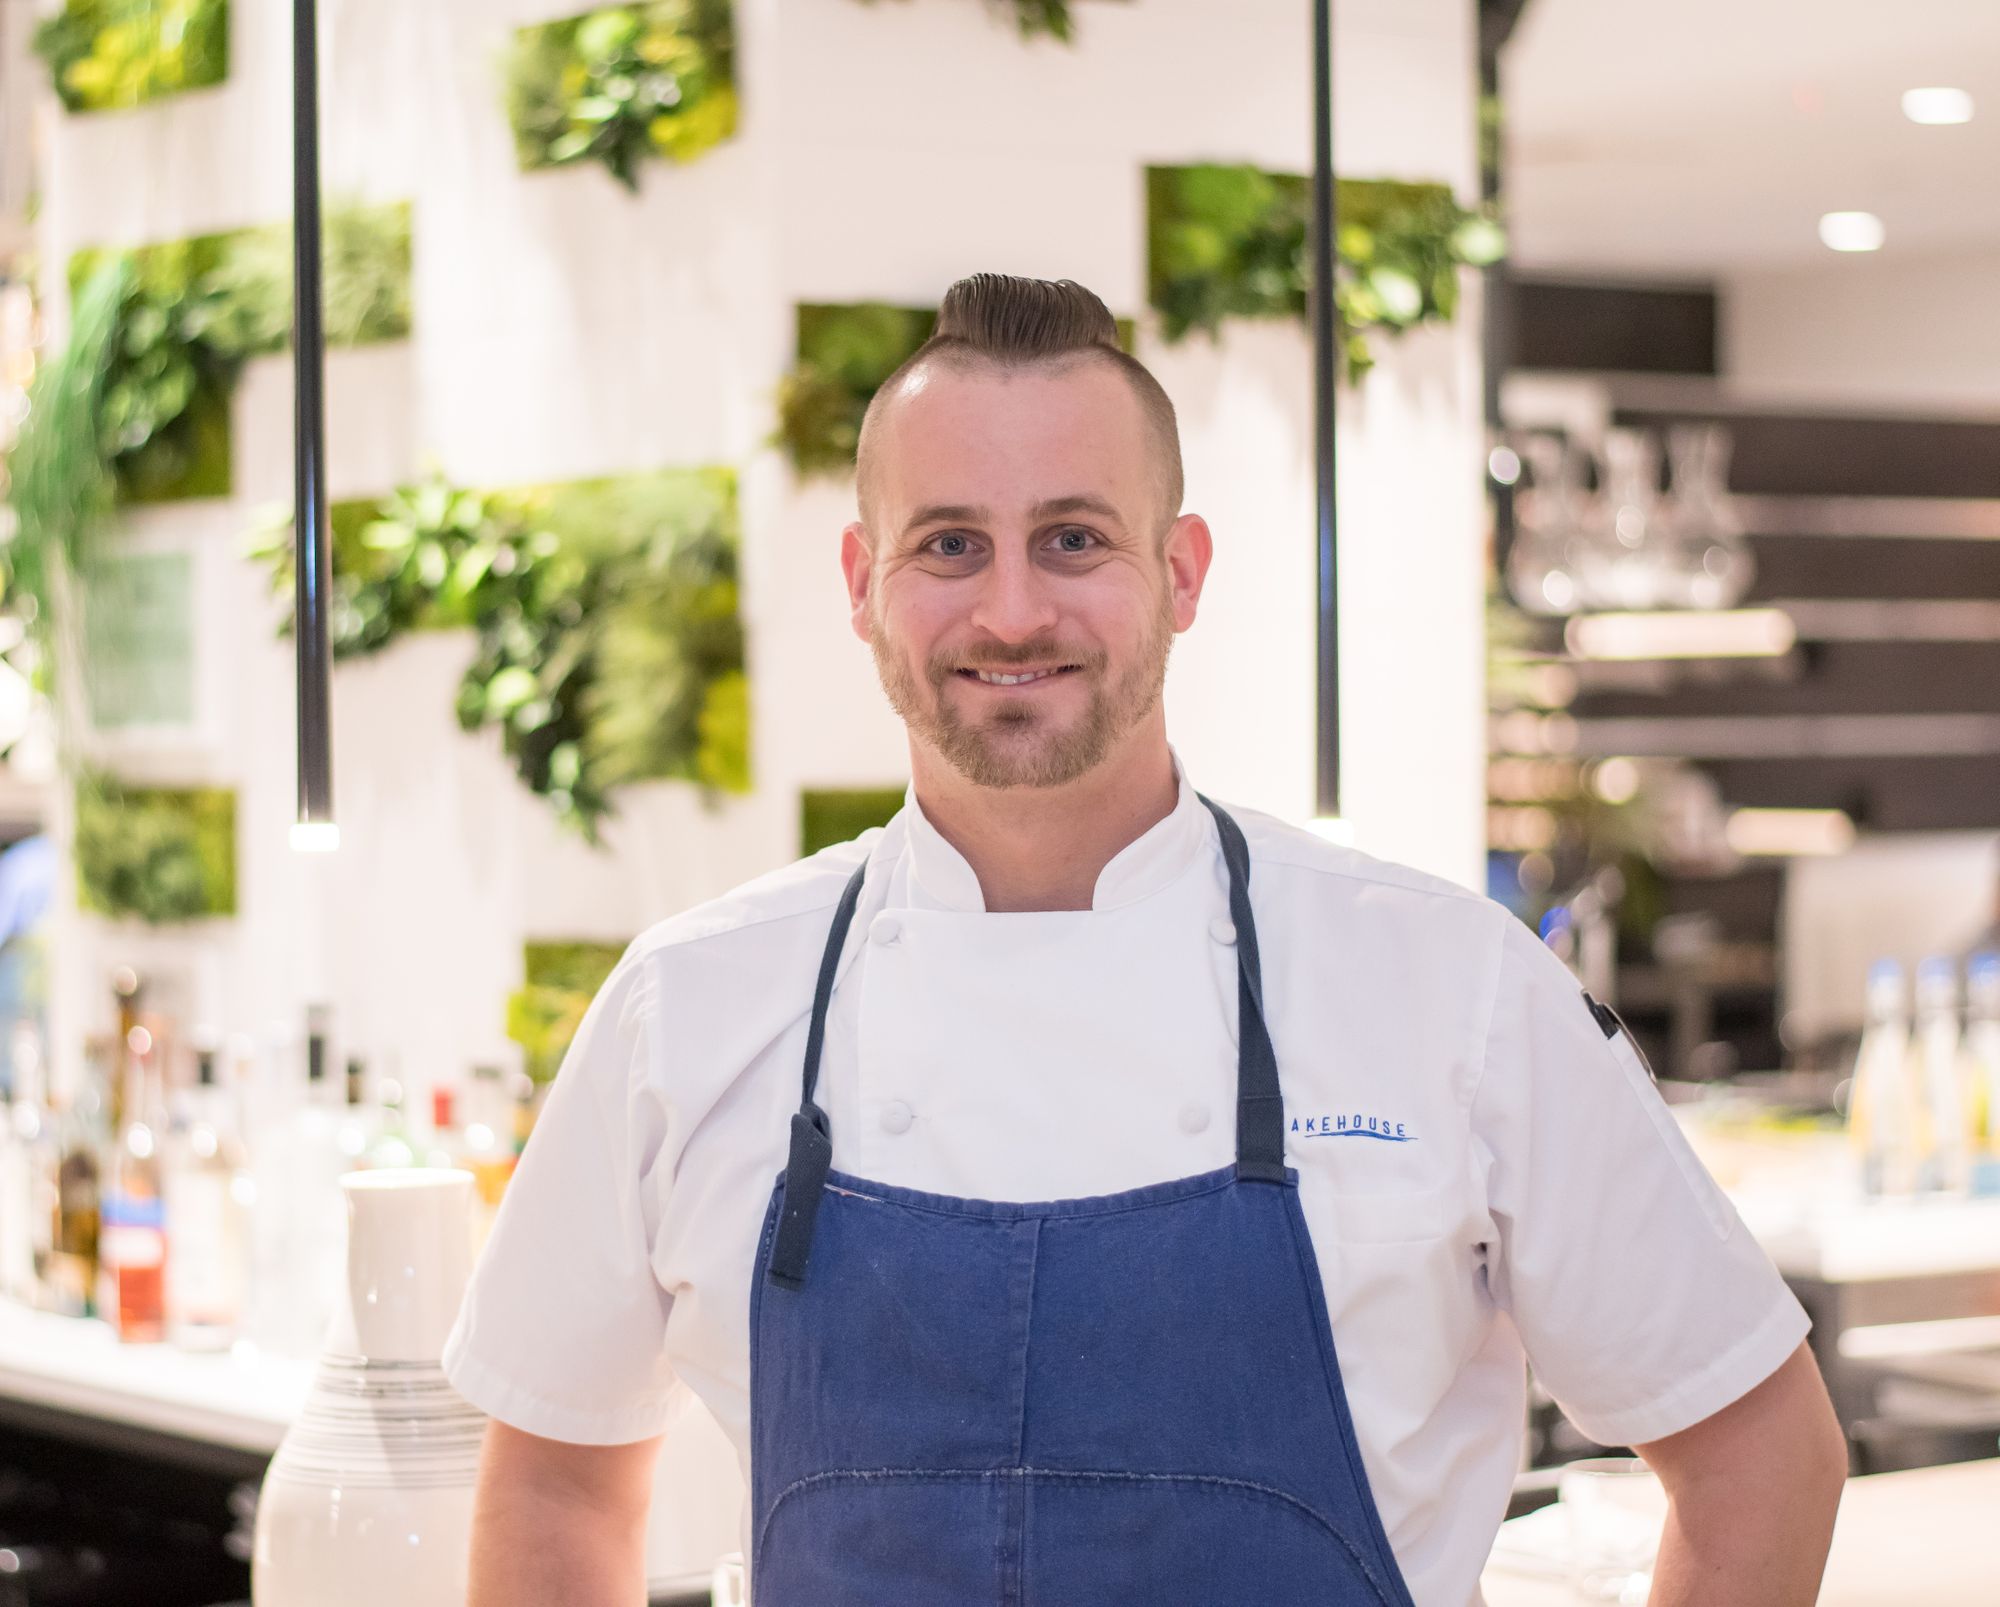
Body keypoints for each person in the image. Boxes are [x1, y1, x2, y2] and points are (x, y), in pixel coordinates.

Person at [443, 274, 1846, 1606]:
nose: (1010, 610)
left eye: (1074, 538)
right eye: (948, 545)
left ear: (1181, 571)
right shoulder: (685, 1008)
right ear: (864, 582)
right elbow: (556, 1492)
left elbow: (1761, 1457)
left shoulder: (1452, 989)